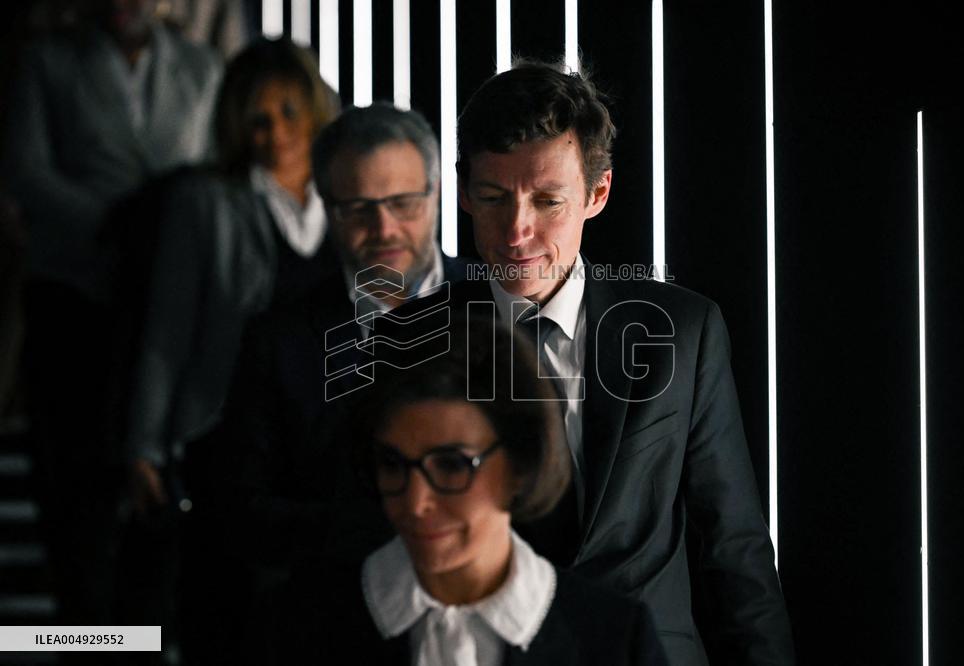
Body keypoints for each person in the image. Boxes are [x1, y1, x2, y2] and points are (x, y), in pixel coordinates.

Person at [375, 59, 796, 664]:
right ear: (463, 192)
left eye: (547, 201)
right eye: (493, 197)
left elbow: (733, 546)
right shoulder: (408, 340)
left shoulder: (682, 331)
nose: (516, 232)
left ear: (597, 194)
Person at [0, 0, 220, 631]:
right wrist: (120, 226)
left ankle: (139, 640)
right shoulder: (48, 63)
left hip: (168, 310)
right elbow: (25, 171)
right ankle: (85, 641)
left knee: (158, 495)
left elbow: (214, 168)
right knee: (75, 494)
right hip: (75, 299)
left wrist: (169, 237)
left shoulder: (201, 67)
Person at [119, 36, 338, 663]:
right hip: (227, 434)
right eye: (258, 120)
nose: (276, 134)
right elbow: (169, 331)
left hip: (322, 435)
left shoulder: (348, 196)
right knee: (223, 612)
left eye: (289, 112)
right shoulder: (205, 201)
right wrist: (146, 444)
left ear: (314, 109)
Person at [278, 316, 669, 666]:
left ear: (521, 464)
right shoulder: (301, 625)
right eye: (393, 465)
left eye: (451, 465)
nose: (415, 503)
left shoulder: (615, 640)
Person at [222, 102, 471, 582]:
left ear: (437, 191)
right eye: (358, 208)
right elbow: (242, 507)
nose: (384, 229)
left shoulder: (500, 307)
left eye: (403, 202)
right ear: (327, 206)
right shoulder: (277, 339)